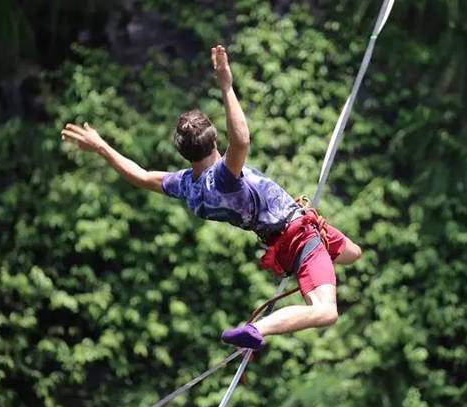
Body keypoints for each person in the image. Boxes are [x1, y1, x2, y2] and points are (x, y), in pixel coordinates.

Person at [60, 45, 362, 350]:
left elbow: (141, 175)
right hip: (299, 238)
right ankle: (257, 329)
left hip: (293, 235)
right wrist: (226, 85)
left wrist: (101, 147)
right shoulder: (223, 177)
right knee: (326, 311)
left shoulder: (188, 187)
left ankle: (270, 316)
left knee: (353, 253)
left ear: (183, 152)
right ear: (214, 138)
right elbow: (241, 140)